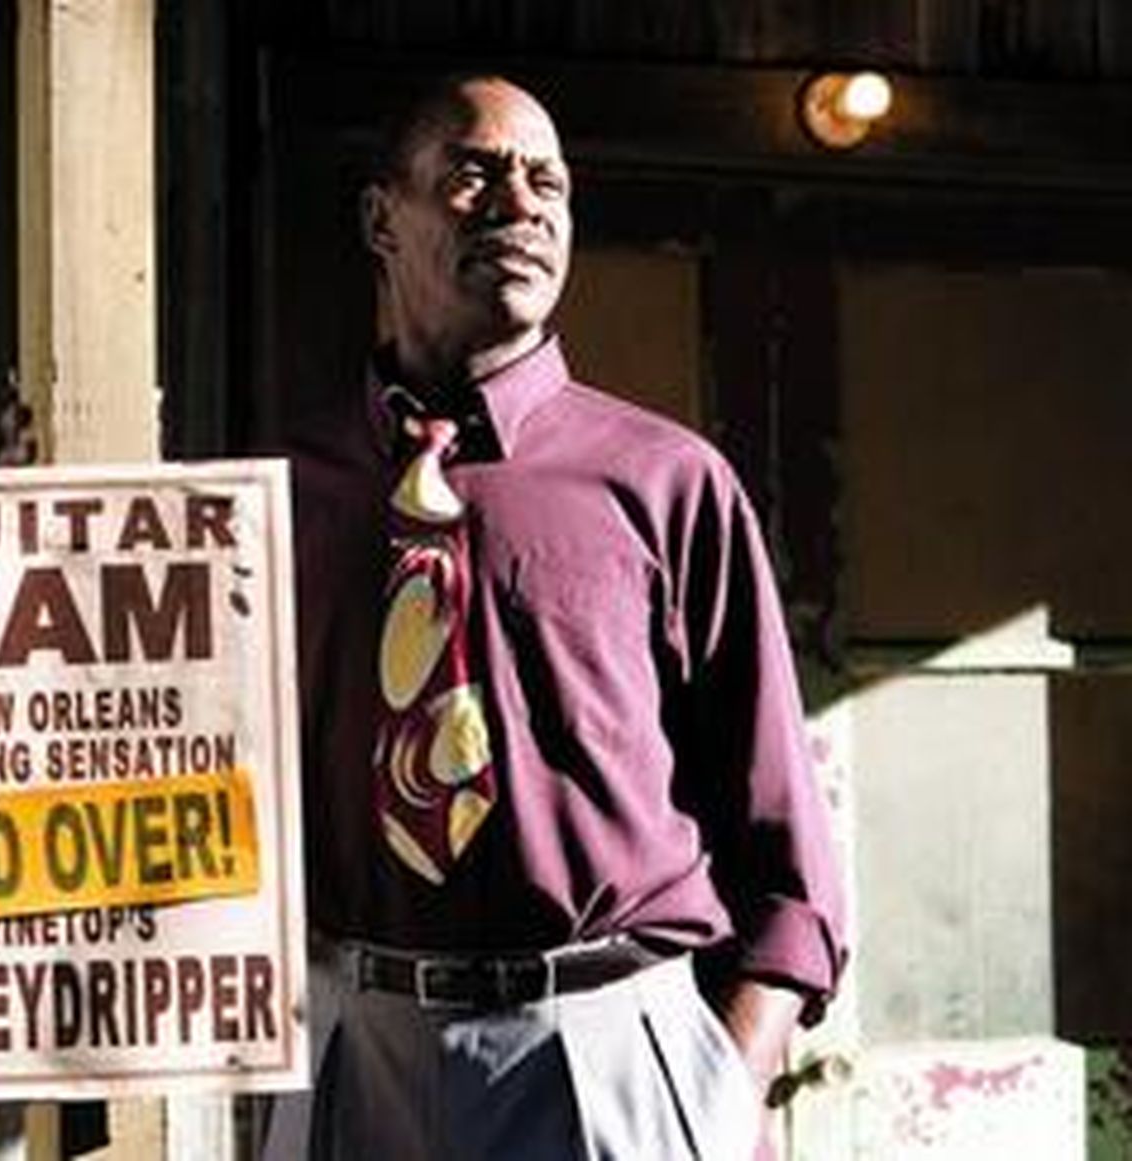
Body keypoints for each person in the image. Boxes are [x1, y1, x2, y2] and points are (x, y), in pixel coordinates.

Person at [269, 74, 847, 1160]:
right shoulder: (276, 495)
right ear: (378, 218)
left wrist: (726, 1083)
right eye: (474, 172)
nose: (519, 206)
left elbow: (784, 847)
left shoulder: (669, 483)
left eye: (548, 183)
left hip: (614, 1046)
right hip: (350, 1049)